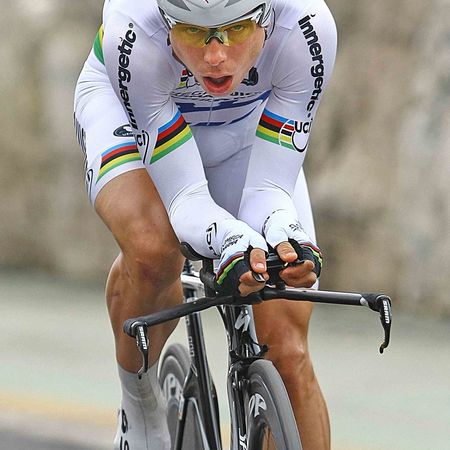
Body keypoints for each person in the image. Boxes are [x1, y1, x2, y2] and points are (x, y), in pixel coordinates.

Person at [74, 0, 337, 448]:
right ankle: (140, 401)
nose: (216, 55)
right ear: (167, 21)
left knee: (288, 347)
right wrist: (232, 239)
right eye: (193, 32)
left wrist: (282, 232)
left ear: (267, 17)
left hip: (245, 125)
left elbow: (269, 192)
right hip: (133, 115)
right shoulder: (135, 28)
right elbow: (186, 200)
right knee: (154, 248)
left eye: (236, 30)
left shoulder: (307, 26)